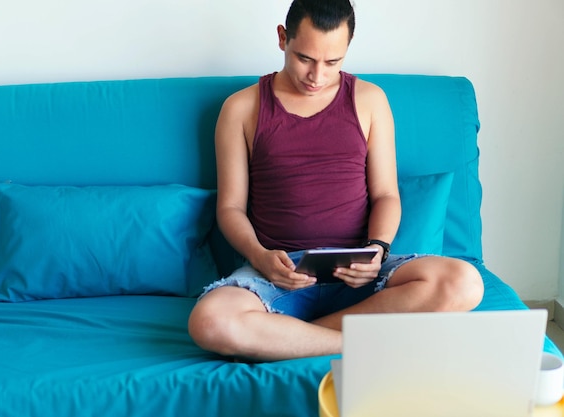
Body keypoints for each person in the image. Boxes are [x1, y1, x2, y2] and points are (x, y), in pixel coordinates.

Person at [188, 0, 484, 362]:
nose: (317, 76)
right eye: (305, 59)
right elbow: (230, 207)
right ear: (283, 38)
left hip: (360, 269)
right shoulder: (241, 108)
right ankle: (360, 340)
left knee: (464, 282)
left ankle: (294, 338)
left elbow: (387, 195)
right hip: (277, 272)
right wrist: (261, 258)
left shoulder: (370, 100)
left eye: (332, 62)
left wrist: (378, 250)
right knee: (209, 322)